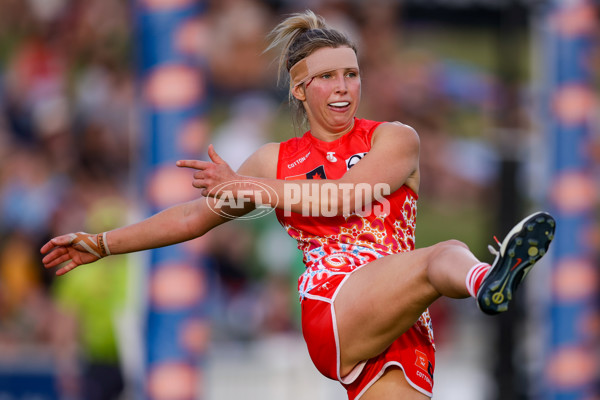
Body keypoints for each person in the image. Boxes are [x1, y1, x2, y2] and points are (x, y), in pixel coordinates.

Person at [41, 10, 556, 400]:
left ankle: (487, 280)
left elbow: (348, 196)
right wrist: (103, 243)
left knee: (429, 263)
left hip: (397, 315)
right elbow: (190, 219)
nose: (342, 87)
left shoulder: (396, 140)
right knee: (444, 252)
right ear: (299, 87)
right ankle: (487, 281)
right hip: (332, 306)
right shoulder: (272, 160)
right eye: (327, 77)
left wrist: (255, 191)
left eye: (351, 74)